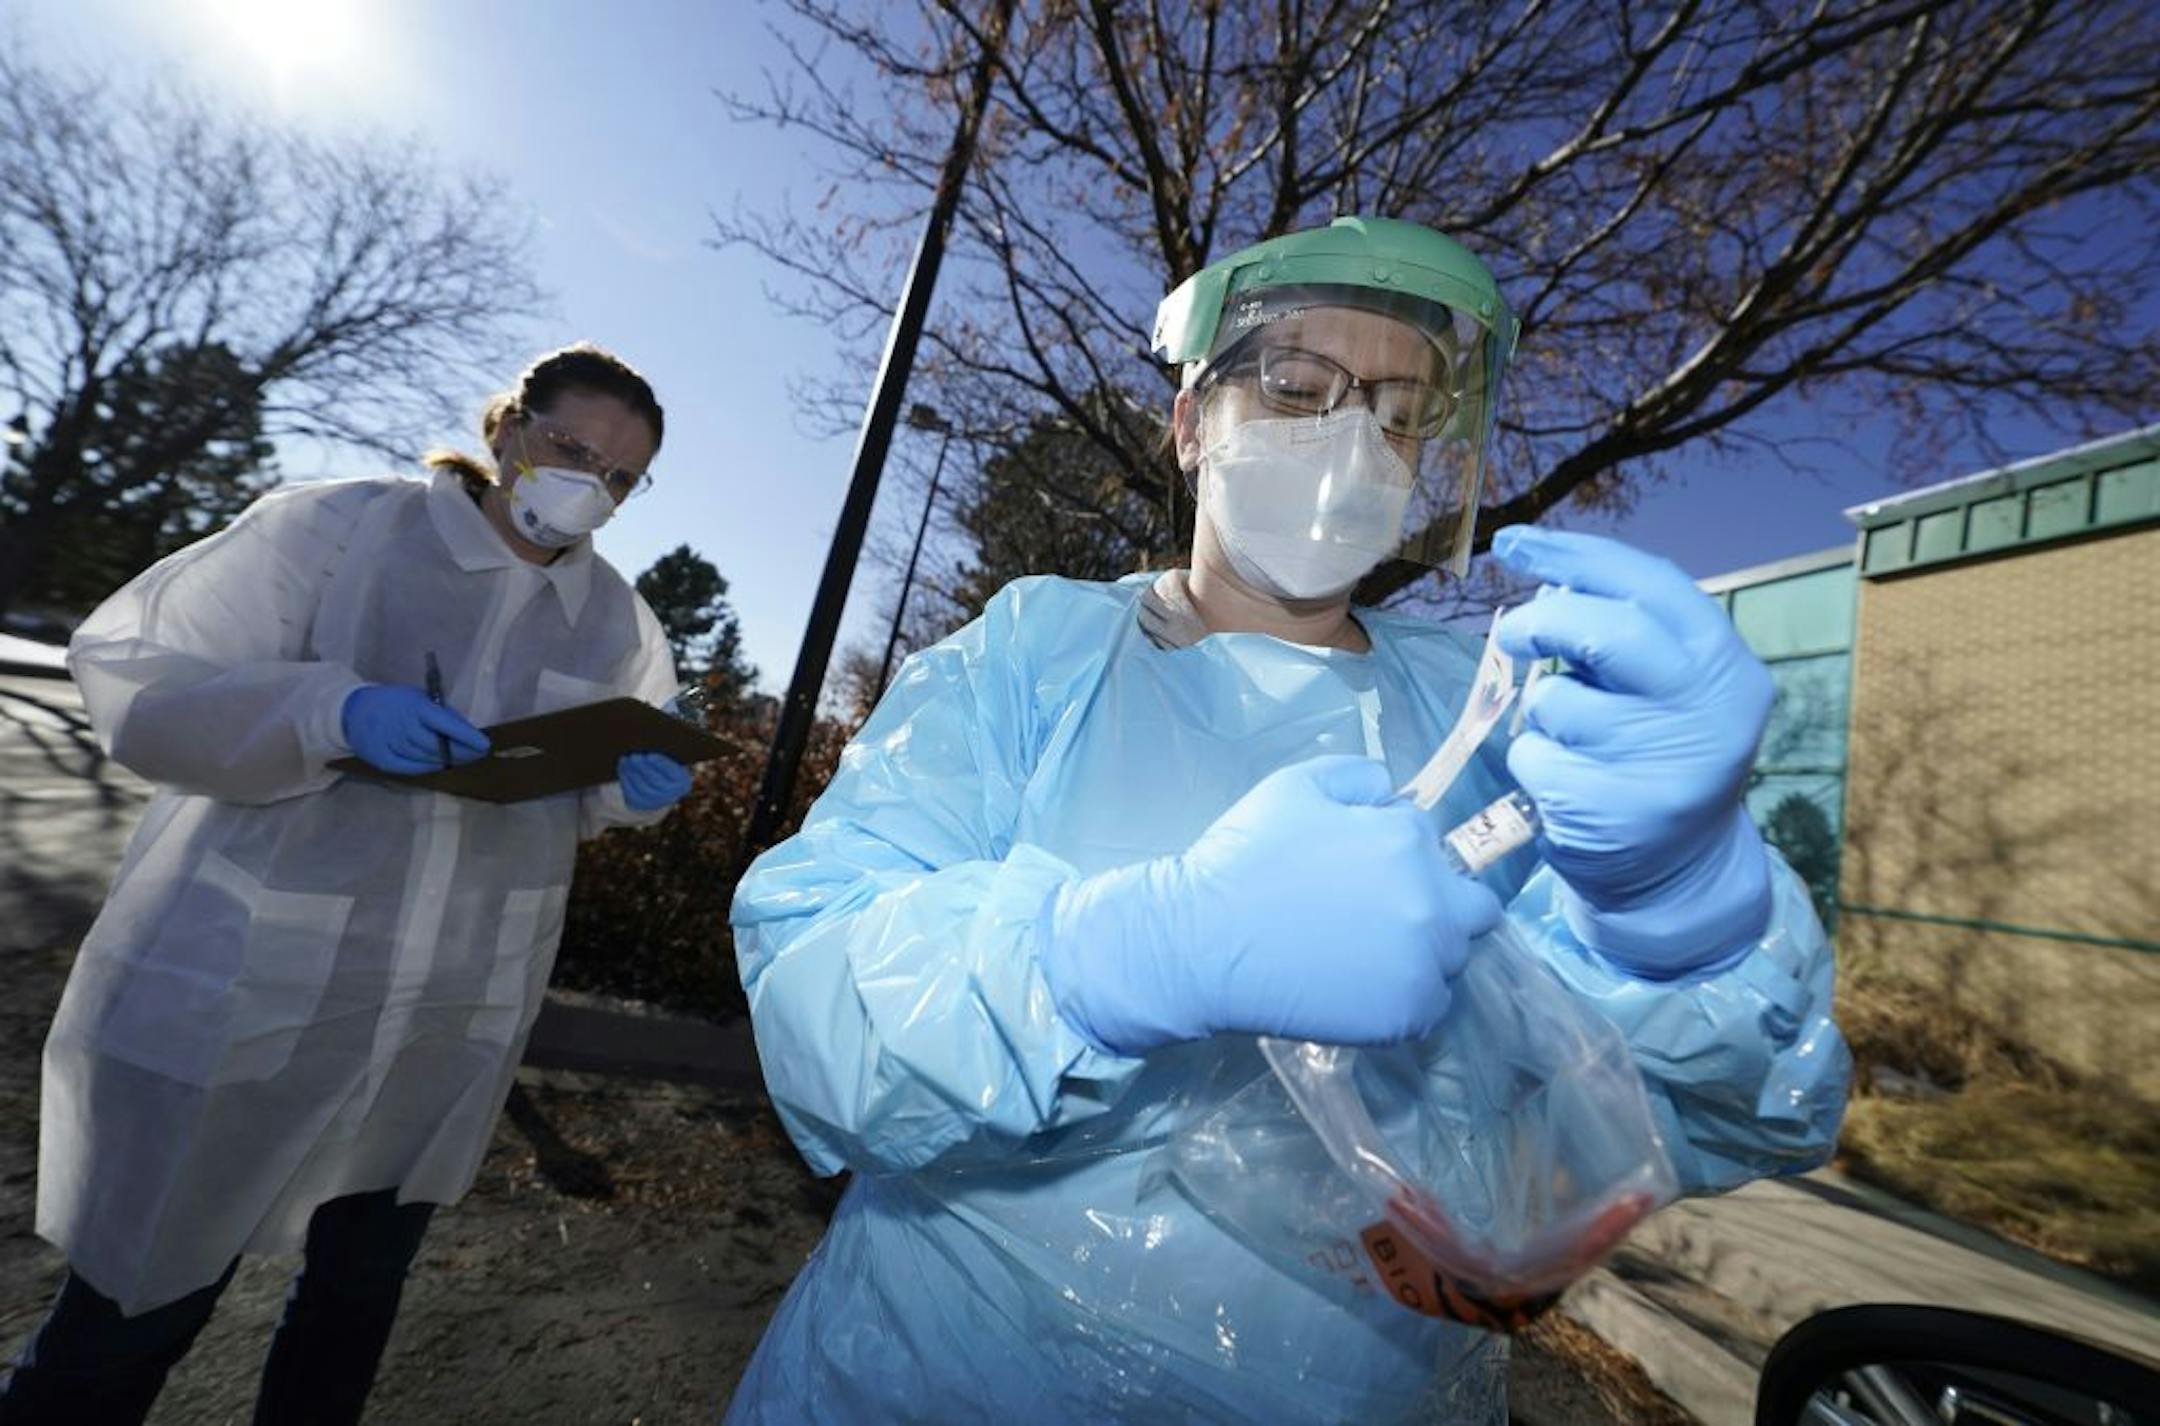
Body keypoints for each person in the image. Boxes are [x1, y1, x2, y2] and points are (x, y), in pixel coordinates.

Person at [723, 218, 1851, 1424]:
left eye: (1402, 411)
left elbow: (1697, 1125)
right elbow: (813, 996)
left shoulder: (1483, 718)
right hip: (930, 1375)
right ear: (1190, 424)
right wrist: (1127, 952)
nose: (1355, 438)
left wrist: (1680, 914)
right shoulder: (1035, 654)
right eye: (1300, 387)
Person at [0, 343, 696, 1426]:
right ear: (508, 428)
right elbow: (141, 673)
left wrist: (632, 795)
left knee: (354, 1300)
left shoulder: (617, 622)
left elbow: (577, 790)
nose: (589, 485)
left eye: (618, 478)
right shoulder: (343, 531)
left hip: (443, 1023)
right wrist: (327, 709)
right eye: (572, 447)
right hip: (253, 995)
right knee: (137, 1311)